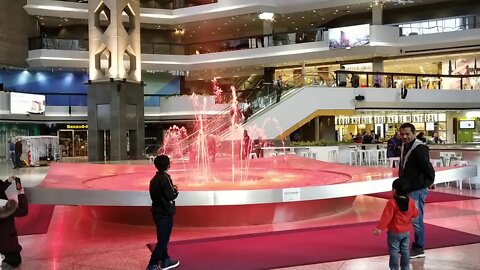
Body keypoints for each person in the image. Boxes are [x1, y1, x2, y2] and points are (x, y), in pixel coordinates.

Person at [398, 123, 435, 259]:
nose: (405, 137)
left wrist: (427, 183)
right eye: (402, 134)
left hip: (417, 189)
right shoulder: (404, 146)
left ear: (414, 133)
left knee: (417, 220)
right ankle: (411, 246)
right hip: (408, 188)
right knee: (407, 218)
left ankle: (419, 247)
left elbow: (428, 169)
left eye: (408, 134)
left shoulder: (419, 148)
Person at [374, 178, 419, 270]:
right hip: (406, 232)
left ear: (394, 190)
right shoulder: (410, 201)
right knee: (405, 250)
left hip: (394, 232)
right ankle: (405, 268)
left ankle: (394, 268)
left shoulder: (392, 202)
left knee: (394, 251)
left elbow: (386, 217)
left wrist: (379, 228)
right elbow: (415, 214)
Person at [147, 155, 180, 270]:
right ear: (168, 165)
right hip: (165, 212)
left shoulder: (154, 179)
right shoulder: (165, 178)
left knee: (163, 237)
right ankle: (152, 264)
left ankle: (165, 260)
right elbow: (171, 195)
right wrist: (176, 190)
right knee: (163, 240)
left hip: (157, 211)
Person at [0, 176, 29, 268]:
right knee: (15, 260)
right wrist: (21, 194)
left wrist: (7, 182)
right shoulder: (4, 207)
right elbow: (23, 211)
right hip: (8, 242)